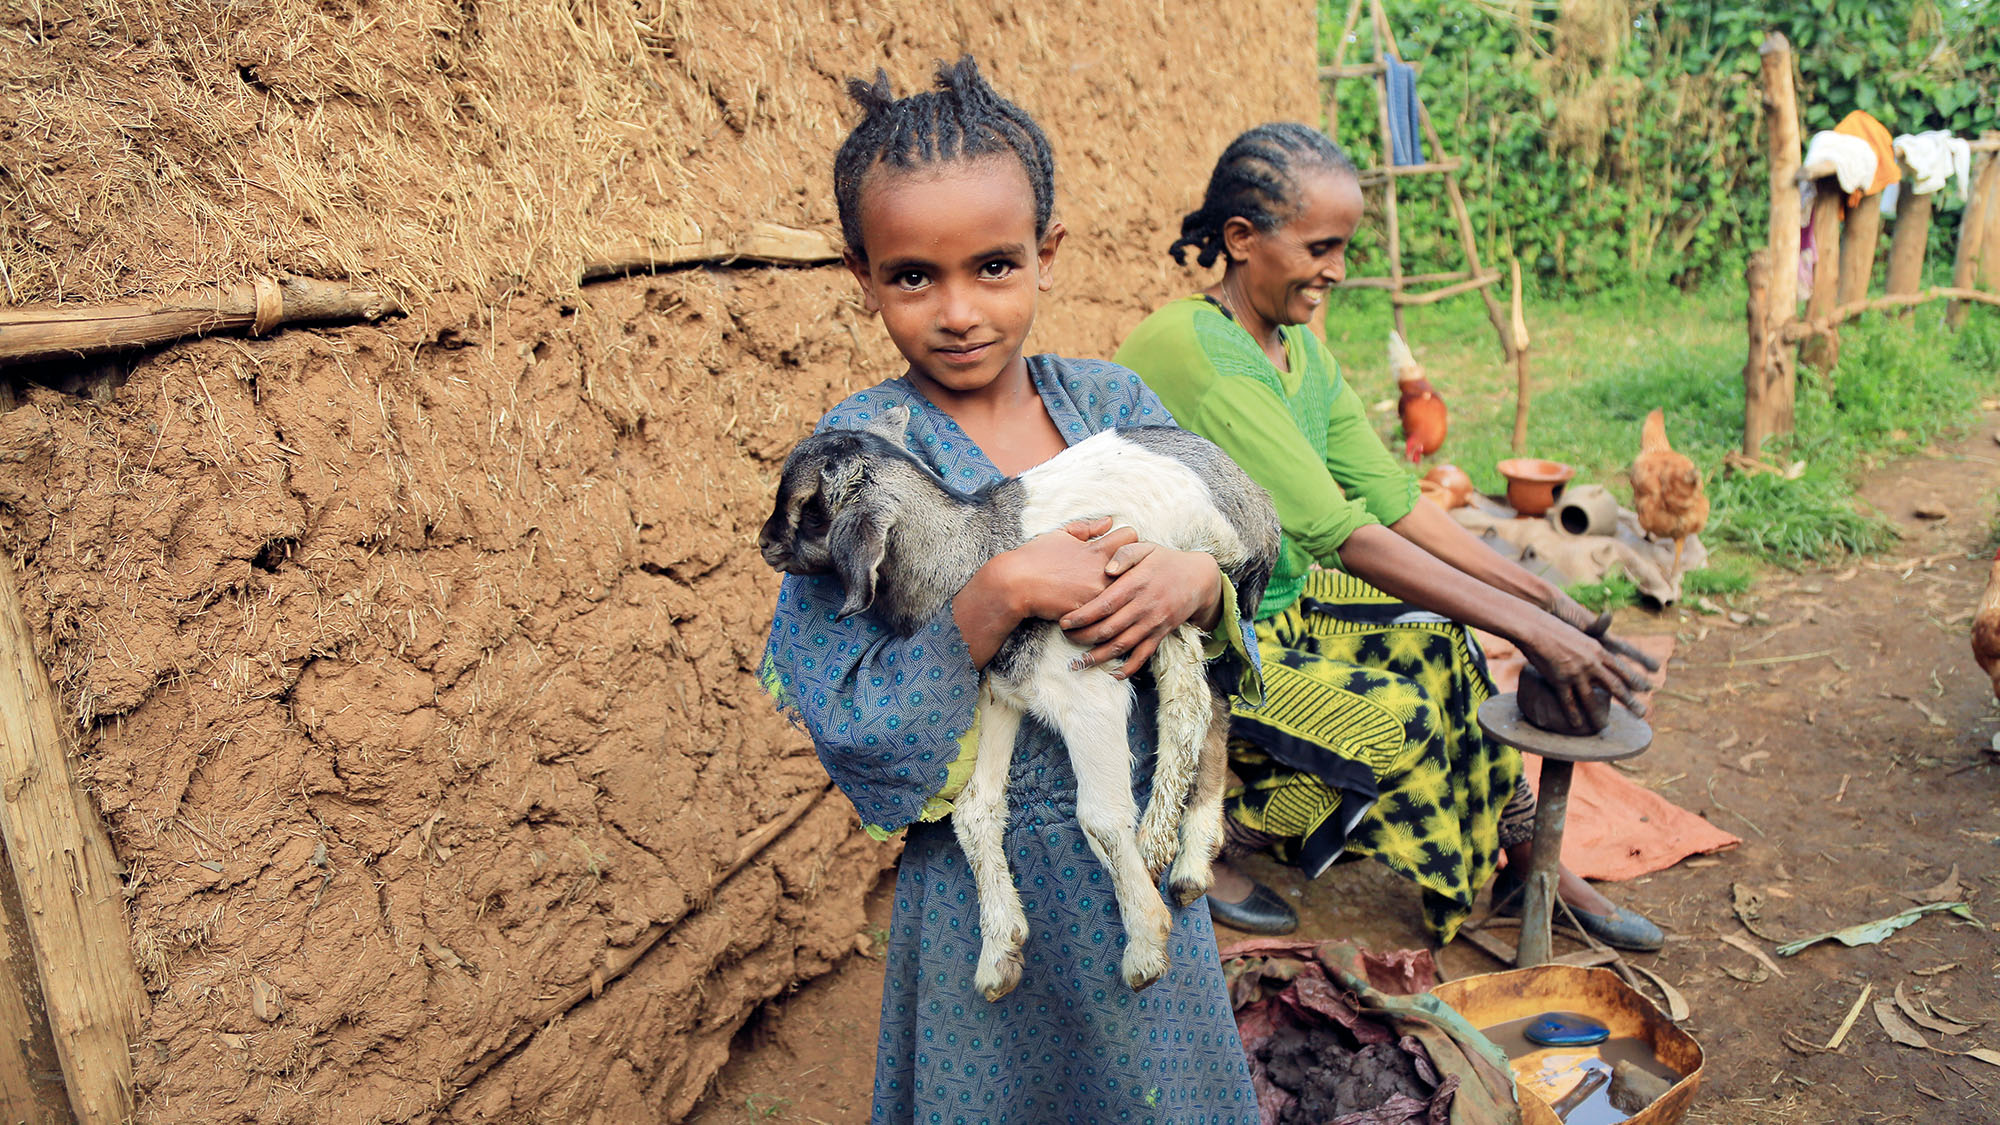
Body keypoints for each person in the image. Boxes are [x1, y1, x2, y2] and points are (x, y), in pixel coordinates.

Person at [760, 60, 1262, 1124]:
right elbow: (845, 709)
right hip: (976, 877)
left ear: (1046, 254)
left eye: (994, 266)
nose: (956, 312)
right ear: (859, 274)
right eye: (910, 278)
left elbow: (1236, 559)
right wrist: (994, 592)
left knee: (1155, 1093)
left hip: (1131, 826)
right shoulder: (860, 464)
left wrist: (1199, 584)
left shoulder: (1111, 405)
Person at [1113, 123, 1663, 951]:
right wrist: (1532, 627)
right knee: (1392, 723)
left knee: (1446, 643)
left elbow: (1396, 500)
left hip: (1271, 601)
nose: (1338, 270)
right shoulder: (1200, 355)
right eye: (1322, 246)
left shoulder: (1297, 350)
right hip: (1190, 641)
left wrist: (1547, 599)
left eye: (1346, 247)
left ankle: (1526, 860)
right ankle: (1211, 827)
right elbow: (1343, 534)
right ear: (1241, 239)